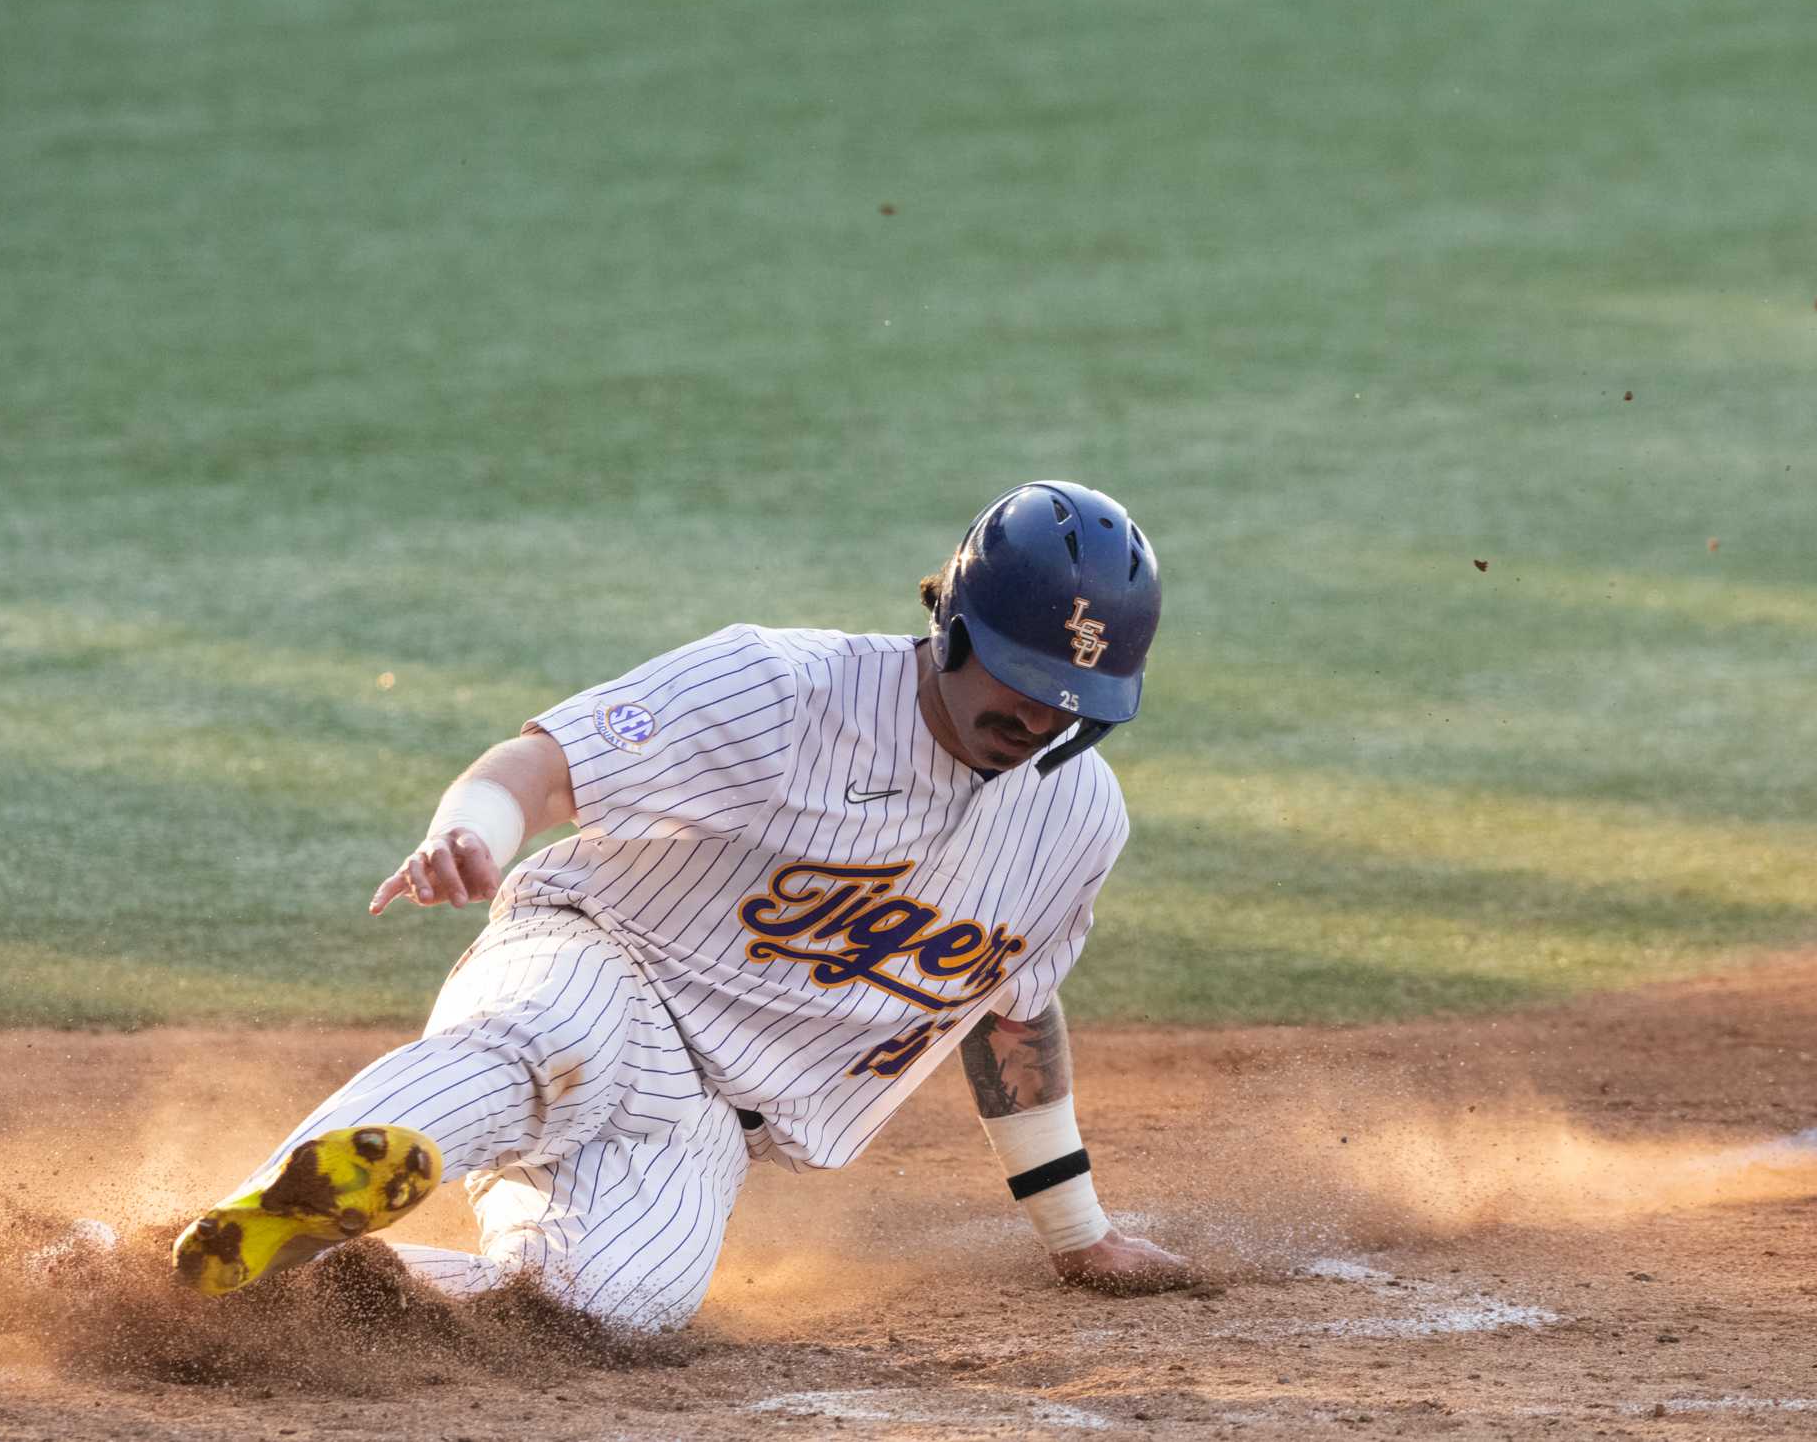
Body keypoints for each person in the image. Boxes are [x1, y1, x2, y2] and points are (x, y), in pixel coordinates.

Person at [171, 480, 1194, 1329]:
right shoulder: (785, 689)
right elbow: (538, 766)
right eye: (1022, 681)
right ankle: (290, 1201)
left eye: (1074, 701)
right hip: (600, 966)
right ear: (956, 631)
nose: (1038, 717)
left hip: (703, 1119)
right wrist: (471, 836)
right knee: (532, 1048)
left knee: (593, 1317)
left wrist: (1076, 1232)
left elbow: (1008, 1002)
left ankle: (168, 1274)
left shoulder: (1076, 821)